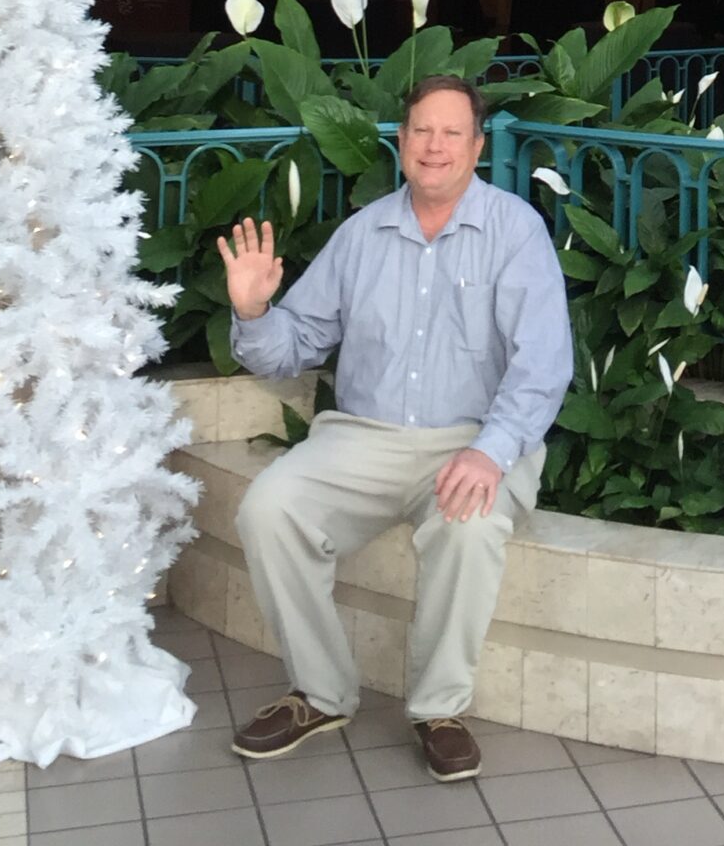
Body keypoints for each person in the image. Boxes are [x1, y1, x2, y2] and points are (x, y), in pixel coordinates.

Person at [216, 74, 573, 781]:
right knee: (269, 508)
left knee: (469, 528)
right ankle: (320, 693)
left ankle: (439, 710)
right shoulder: (362, 234)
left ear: (476, 147)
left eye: (451, 133)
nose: (434, 146)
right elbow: (294, 346)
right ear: (401, 141)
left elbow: (543, 363)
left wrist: (490, 451)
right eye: (421, 131)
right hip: (363, 438)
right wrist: (254, 312)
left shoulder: (515, 230)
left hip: (471, 439)